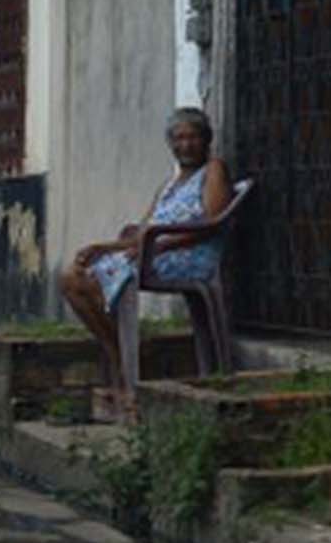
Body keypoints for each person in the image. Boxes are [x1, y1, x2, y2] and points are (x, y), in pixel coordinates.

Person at [58, 107, 233, 419]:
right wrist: (103, 247)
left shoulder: (214, 169)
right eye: (179, 138)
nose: (186, 144)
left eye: (193, 136)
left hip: (189, 258)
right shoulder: (170, 184)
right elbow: (142, 232)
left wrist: (158, 246)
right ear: (171, 145)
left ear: (206, 139)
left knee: (91, 280)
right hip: (155, 253)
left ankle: (126, 366)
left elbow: (210, 224)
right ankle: (120, 353)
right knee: (72, 277)